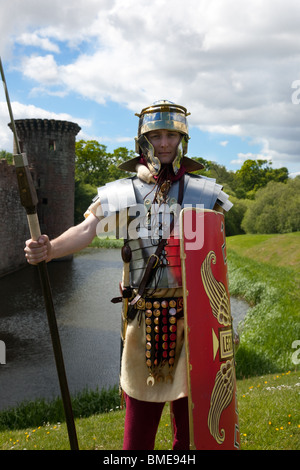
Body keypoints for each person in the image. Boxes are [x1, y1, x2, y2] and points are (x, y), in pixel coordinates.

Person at [24, 100, 232, 450]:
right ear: (143, 140)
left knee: (193, 426)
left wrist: (225, 324)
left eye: (171, 135)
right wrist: (50, 249)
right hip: (144, 319)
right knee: (138, 428)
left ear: (183, 140)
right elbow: (88, 229)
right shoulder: (122, 192)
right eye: (156, 136)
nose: (164, 144)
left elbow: (217, 260)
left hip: (194, 321)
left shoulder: (203, 193)